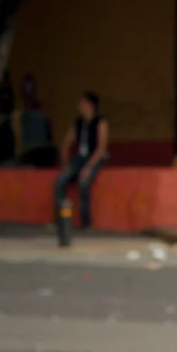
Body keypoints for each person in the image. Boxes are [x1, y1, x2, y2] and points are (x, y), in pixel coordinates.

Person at [54, 92, 109, 246]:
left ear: (91, 106)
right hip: (79, 158)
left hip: (95, 158)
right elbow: (66, 142)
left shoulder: (100, 122)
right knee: (59, 181)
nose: (80, 107)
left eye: (83, 104)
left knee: (84, 183)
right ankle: (61, 220)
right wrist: (66, 164)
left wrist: (88, 167)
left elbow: (101, 147)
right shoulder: (78, 123)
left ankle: (86, 223)